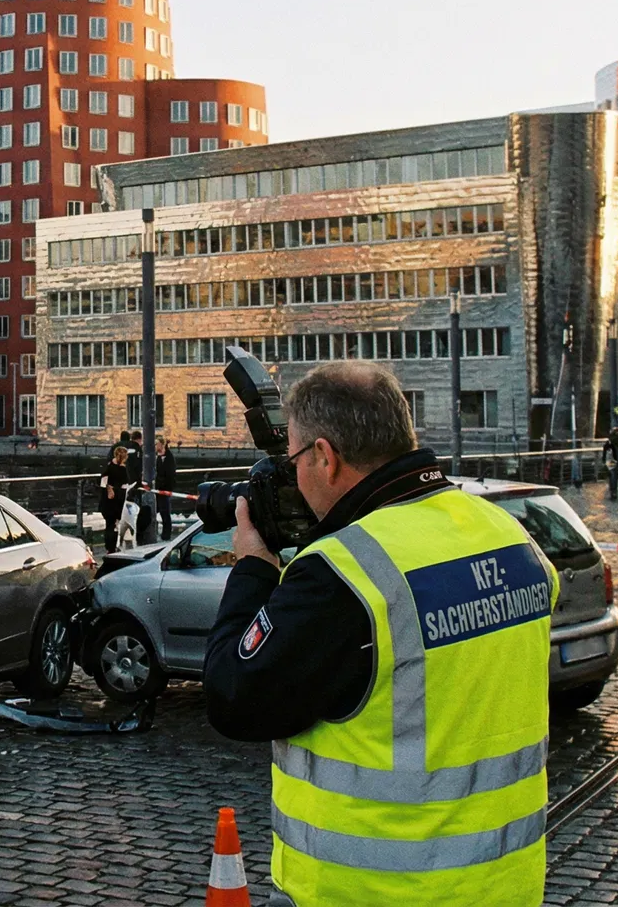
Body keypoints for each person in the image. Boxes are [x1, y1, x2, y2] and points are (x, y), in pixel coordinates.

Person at [204, 362, 557, 906]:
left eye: (295, 459)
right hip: (503, 885)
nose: (293, 477)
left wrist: (253, 567)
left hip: (374, 890)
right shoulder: (509, 536)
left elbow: (234, 696)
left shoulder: (345, 574)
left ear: (325, 456)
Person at [98, 446, 130, 555]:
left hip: (107, 501)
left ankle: (109, 547)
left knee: (109, 524)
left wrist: (108, 488)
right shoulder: (123, 469)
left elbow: (102, 481)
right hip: (118, 500)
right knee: (116, 524)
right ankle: (114, 546)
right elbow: (125, 485)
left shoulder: (108, 466)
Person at [154, 437, 179, 530]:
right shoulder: (156, 456)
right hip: (156, 487)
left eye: (157, 444)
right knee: (155, 510)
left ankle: (166, 532)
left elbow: (170, 474)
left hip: (164, 488)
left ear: (162, 444)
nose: (155, 446)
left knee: (164, 511)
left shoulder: (168, 457)